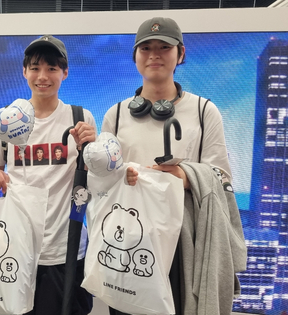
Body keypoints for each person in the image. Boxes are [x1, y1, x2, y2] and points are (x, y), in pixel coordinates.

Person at [101, 17, 244, 314]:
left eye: (164, 47)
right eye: (146, 48)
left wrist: (186, 176)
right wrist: (119, 176)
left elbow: (222, 178)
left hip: (183, 239)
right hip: (130, 236)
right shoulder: (115, 115)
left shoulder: (204, 111)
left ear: (180, 54)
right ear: (135, 57)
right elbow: (103, 180)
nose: (154, 54)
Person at [0, 35, 96, 315]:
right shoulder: (6, 121)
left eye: (52, 68)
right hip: (17, 249)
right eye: (35, 68)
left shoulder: (80, 119)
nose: (42, 76)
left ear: (65, 73)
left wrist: (92, 149)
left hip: (66, 252)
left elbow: (96, 180)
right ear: (24, 72)